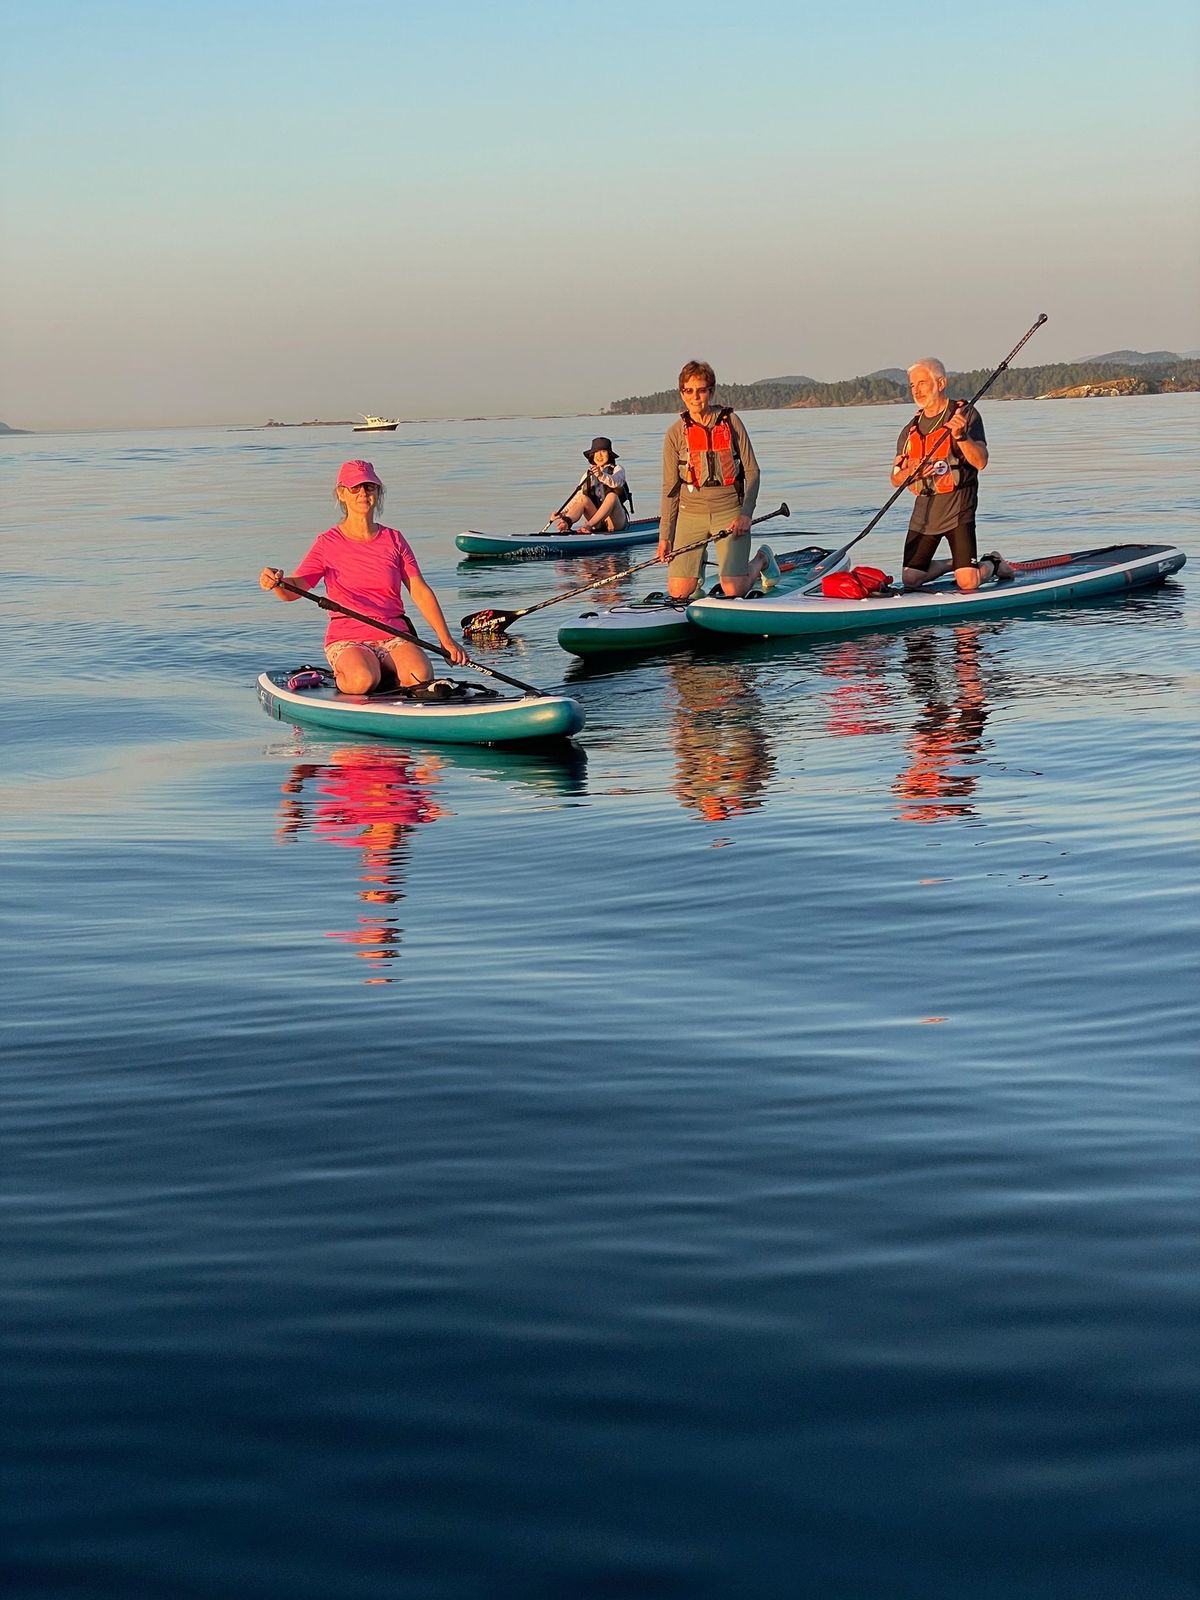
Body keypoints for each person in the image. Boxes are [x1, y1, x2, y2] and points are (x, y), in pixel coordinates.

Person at [259, 459, 468, 694]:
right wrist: (277, 583)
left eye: (369, 487)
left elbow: (419, 591)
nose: (363, 493)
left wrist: (446, 640)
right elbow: (296, 587)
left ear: (377, 492)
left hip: (393, 633)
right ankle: (345, 676)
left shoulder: (394, 539)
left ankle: (388, 676)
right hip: (347, 636)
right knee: (362, 680)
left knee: (420, 675)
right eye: (355, 488)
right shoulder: (327, 543)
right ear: (341, 494)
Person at [657, 361, 780, 601]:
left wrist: (746, 514)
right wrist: (665, 537)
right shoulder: (674, 433)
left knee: (733, 589)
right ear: (682, 393)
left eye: (701, 390)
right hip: (690, 514)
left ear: (711, 392)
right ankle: (696, 568)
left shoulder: (731, 422)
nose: (695, 397)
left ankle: (762, 560)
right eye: (689, 391)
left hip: (729, 513)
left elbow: (753, 471)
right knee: (679, 592)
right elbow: (670, 490)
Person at [892, 358, 1014, 592]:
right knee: (910, 579)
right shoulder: (910, 430)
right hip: (925, 510)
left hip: (958, 506)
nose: (916, 390)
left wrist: (960, 436)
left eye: (922, 383)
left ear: (941, 383)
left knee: (967, 582)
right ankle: (956, 564)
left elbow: (981, 462)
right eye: (912, 385)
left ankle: (993, 562)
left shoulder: (966, 415)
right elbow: (895, 478)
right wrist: (912, 472)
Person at [552, 437, 633, 533]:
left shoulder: (618, 469)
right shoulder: (587, 475)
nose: (599, 455)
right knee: (582, 497)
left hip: (615, 522)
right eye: (596, 452)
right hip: (597, 521)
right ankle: (566, 523)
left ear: (609, 454)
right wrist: (561, 513)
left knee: (612, 496)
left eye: (603, 451)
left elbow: (616, 482)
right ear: (592, 455)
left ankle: (588, 526)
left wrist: (601, 475)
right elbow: (576, 498)